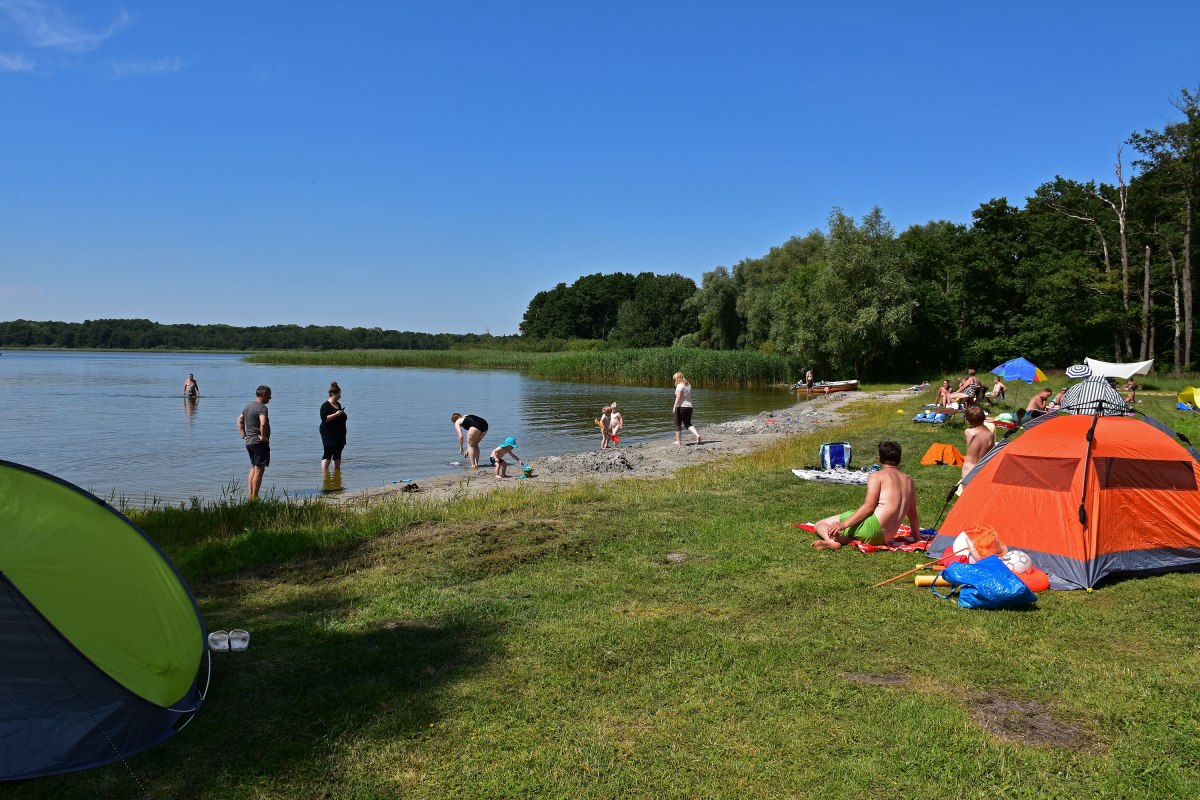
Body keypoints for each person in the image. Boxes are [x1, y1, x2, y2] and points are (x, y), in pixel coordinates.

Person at [812, 441, 919, 549]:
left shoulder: (877, 476)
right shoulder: (909, 480)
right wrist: (917, 539)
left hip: (871, 529)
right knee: (856, 515)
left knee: (821, 524)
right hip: (886, 538)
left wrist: (844, 524)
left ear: (879, 458)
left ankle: (832, 541)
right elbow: (913, 515)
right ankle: (844, 539)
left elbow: (869, 507)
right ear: (899, 460)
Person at [236, 385, 272, 501]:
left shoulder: (248, 406)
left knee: (253, 467)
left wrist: (243, 435)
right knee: (259, 469)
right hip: (259, 442)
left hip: (249, 442)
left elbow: (239, 420)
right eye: (269, 395)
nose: (270, 398)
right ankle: (255, 497)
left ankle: (251, 495)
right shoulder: (262, 408)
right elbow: (263, 423)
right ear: (264, 394)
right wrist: (263, 437)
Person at [319, 381, 348, 474]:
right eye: (339, 394)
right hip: (328, 433)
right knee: (328, 451)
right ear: (333, 394)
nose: (340, 396)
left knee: (338, 451)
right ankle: (325, 474)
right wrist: (336, 414)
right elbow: (325, 419)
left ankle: (337, 472)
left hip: (339, 434)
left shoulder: (338, 404)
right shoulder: (325, 406)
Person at [962, 406, 995, 481]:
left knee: (967, 491)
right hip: (983, 467)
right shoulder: (990, 435)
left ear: (969, 420)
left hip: (969, 468)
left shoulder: (969, 432)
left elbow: (967, 444)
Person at [672, 371, 701, 445]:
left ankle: (678, 441)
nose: (675, 380)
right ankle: (697, 434)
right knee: (688, 423)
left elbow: (678, 397)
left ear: (678, 378)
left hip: (681, 407)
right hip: (689, 407)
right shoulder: (689, 385)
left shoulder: (679, 386)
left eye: (675, 379)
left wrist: (674, 406)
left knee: (677, 424)